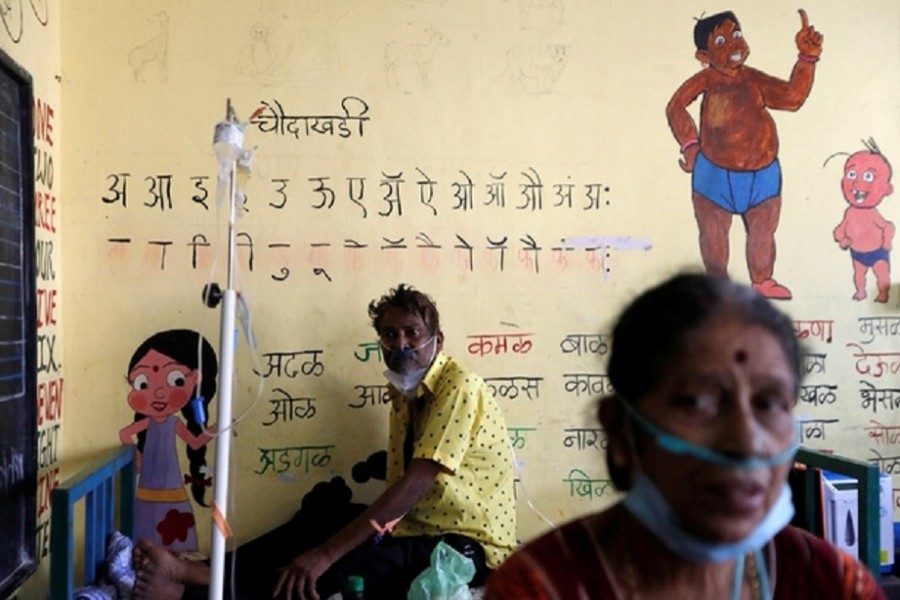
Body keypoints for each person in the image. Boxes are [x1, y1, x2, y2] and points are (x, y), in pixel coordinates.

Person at [485, 272, 885, 599]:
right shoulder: (542, 588)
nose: (746, 442)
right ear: (620, 431)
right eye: (696, 402)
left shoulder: (834, 584)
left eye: (769, 403)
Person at [134, 283, 517, 599]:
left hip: (462, 544)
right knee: (318, 519)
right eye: (390, 334)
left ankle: (191, 595)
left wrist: (324, 554)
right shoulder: (405, 393)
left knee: (329, 566)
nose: (401, 344)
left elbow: (415, 484)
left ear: (436, 339)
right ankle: (203, 571)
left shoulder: (458, 388)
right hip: (415, 525)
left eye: (412, 332)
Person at [666, 10, 824, 300]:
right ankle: (717, 287)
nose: (734, 45)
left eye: (737, 35)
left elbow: (791, 98)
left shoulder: (754, 79)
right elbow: (675, 107)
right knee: (714, 236)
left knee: (763, 232)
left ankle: (762, 280)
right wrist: (690, 145)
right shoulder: (705, 80)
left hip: (763, 172)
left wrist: (807, 58)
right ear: (703, 54)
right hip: (714, 173)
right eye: (722, 41)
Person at [119, 329, 218, 553]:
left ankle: (175, 567)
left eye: (174, 379)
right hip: (148, 489)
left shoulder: (174, 423)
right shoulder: (150, 423)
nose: (159, 393)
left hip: (172, 488)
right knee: (145, 537)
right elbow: (125, 434)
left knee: (175, 536)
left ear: (195, 379)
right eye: (143, 384)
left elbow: (194, 443)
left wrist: (213, 430)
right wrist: (135, 454)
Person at [833, 138, 895, 303]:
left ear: (887, 189)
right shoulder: (850, 212)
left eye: (868, 176)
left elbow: (888, 226)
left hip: (877, 251)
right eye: (852, 174)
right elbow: (839, 230)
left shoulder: (873, 213)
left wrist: (887, 242)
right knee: (859, 274)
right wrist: (843, 239)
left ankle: (883, 294)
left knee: (882, 272)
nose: (857, 181)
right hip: (858, 252)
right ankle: (860, 292)